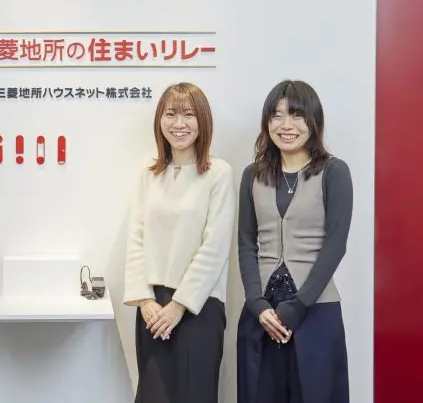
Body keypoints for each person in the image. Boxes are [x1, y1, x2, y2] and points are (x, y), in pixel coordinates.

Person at [236, 79, 353, 403]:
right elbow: (246, 243)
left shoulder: (334, 172)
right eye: (277, 116)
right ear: (266, 122)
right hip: (261, 314)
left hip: (316, 310)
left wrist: (298, 306)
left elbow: (335, 245)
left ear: (313, 120)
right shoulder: (252, 175)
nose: (286, 125)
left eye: (296, 115)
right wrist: (257, 304)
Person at [122, 82, 236, 403]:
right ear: (160, 120)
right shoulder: (148, 174)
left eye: (188, 114)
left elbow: (215, 247)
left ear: (203, 120)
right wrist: (145, 301)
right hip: (152, 309)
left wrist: (179, 305)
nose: (179, 124)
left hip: (199, 307)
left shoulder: (218, 173)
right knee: (152, 395)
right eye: (170, 114)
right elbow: (136, 239)